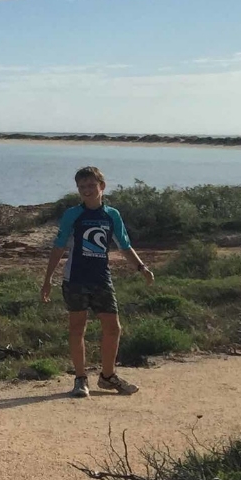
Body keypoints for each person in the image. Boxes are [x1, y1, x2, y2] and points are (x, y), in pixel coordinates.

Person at [41, 165, 155, 397]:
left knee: (113, 328)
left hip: (102, 278)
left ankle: (108, 376)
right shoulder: (73, 215)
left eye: (91, 185)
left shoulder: (112, 215)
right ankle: (80, 379)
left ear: (101, 186)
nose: (87, 190)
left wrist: (141, 267)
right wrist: (48, 278)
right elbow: (59, 246)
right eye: (82, 187)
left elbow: (124, 245)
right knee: (77, 328)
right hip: (75, 279)